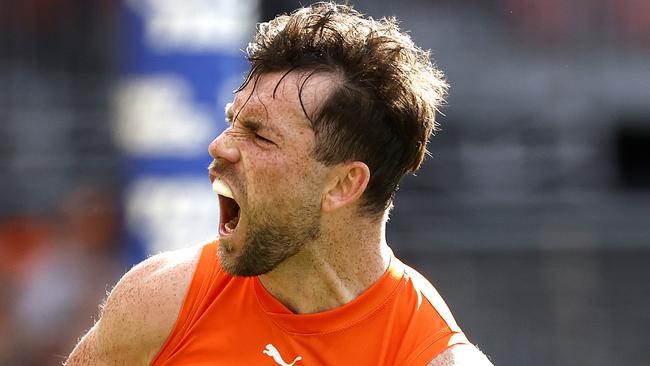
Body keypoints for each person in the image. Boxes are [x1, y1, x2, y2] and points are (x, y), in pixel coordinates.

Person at [66, 3, 493, 365]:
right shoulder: (162, 302)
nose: (219, 147)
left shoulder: (425, 354)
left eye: (260, 136)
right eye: (232, 121)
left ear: (344, 184)